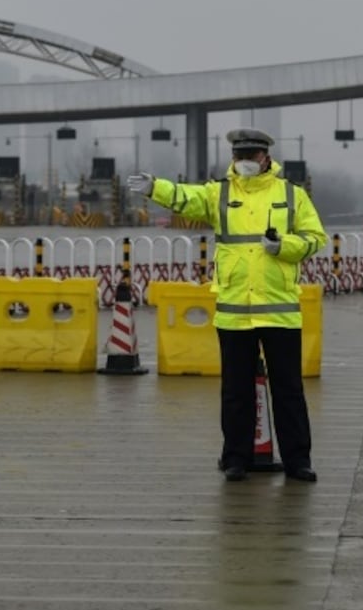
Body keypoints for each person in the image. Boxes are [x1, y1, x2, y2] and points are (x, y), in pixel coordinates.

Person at [128, 128, 328, 483]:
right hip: (234, 311)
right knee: (235, 391)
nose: (246, 161)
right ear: (233, 157)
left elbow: (315, 239)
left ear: (266, 157)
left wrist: (282, 245)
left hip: (279, 309)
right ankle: (235, 458)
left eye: (252, 155)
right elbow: (184, 197)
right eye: (241, 155)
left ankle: (299, 461)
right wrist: (153, 187)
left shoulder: (291, 195)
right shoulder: (218, 193)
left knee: (289, 391)